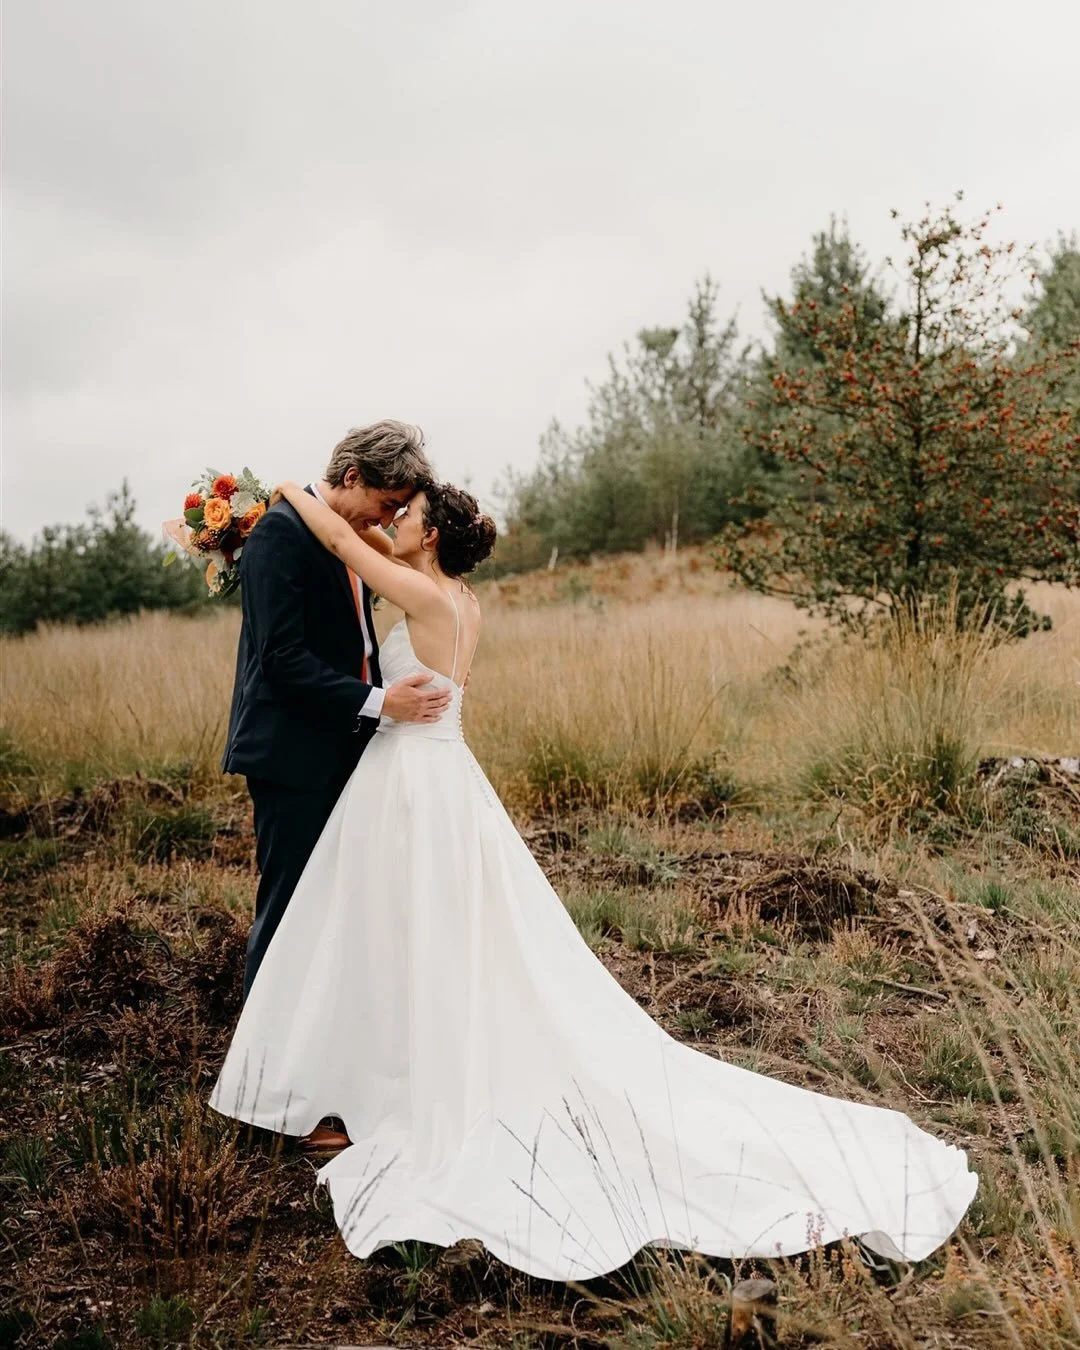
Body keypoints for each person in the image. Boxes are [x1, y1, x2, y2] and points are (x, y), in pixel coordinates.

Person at [211, 477, 976, 1281]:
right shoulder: (462, 602)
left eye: (409, 516)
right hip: (440, 778)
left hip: (415, 786)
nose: (395, 522)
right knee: (437, 932)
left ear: (432, 538)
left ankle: (412, 1080)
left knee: (420, 930)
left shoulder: (426, 600)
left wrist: (289, 490)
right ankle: (390, 1064)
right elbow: (360, 545)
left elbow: (340, 542)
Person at [221, 422, 450, 1147]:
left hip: (347, 752)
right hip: (292, 758)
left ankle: (327, 1079)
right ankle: (266, 1095)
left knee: (335, 919)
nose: (389, 518)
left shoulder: (341, 536)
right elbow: (281, 659)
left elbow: (352, 642)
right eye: (385, 500)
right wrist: (383, 704)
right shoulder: (279, 538)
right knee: (289, 916)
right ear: (350, 475)